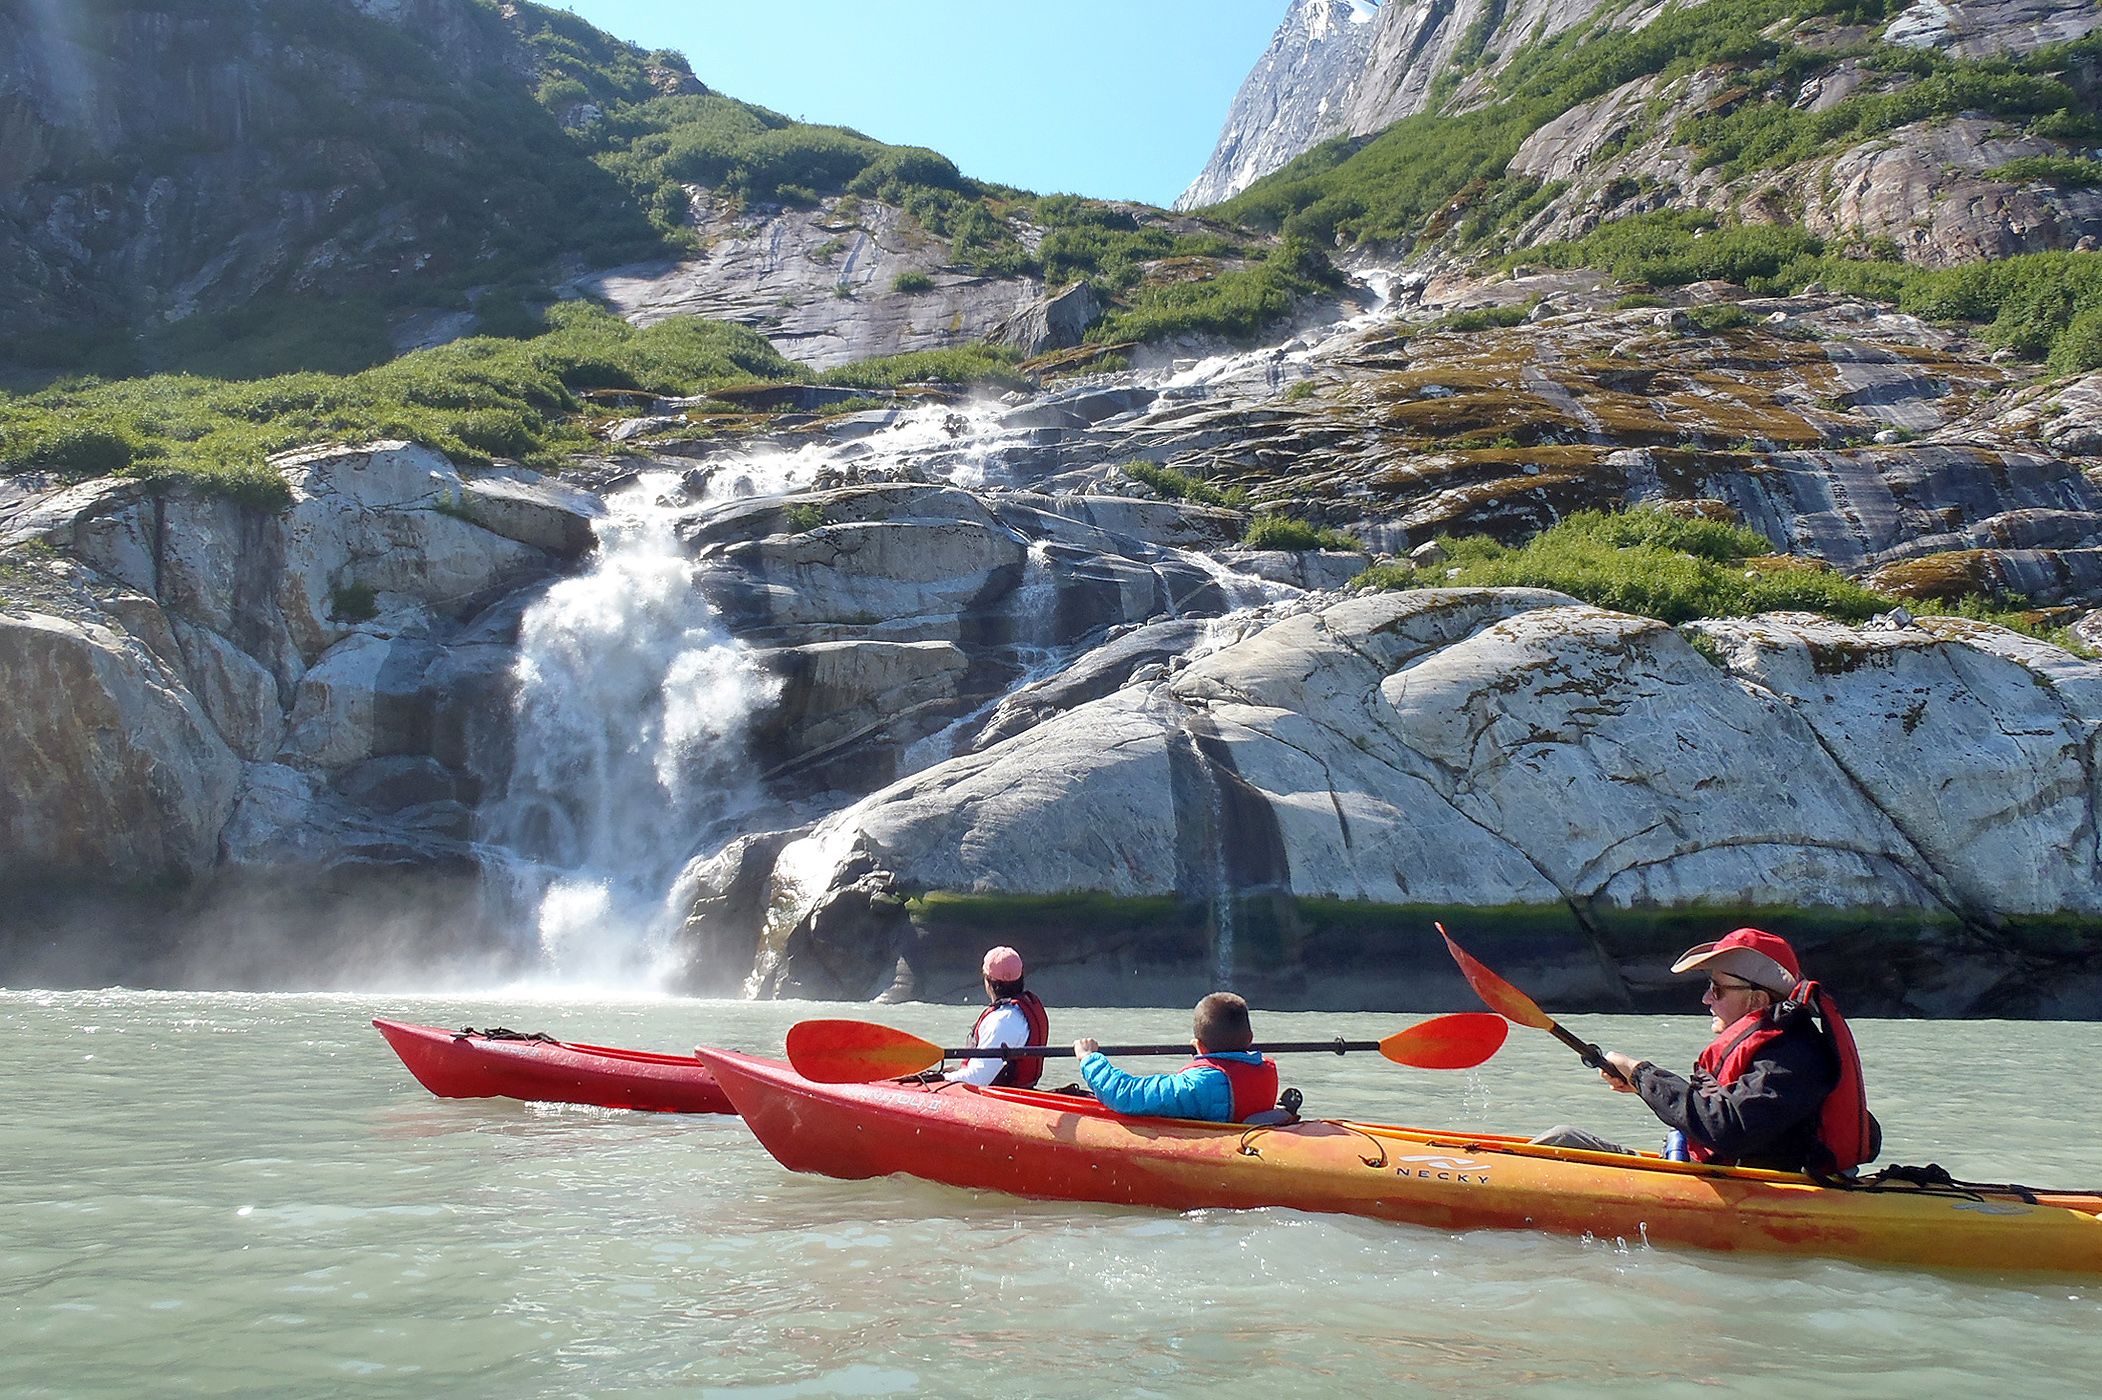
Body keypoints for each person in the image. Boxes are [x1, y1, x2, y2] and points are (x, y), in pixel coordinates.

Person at [1533, 927, 1877, 1174]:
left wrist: (1640, 1073)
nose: (1706, 999)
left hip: (1758, 1197)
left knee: (1558, 1147)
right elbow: (1720, 1110)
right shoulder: (1777, 1050)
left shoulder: (1796, 1057)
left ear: (1756, 999)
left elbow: (1726, 1128)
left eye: (1717, 989)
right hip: (1713, 1178)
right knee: (1563, 1139)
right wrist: (1640, 1084)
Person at [1073, 991, 1279, 1123]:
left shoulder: (1200, 1084)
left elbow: (1124, 1095)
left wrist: (1089, 1058)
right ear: (1250, 1039)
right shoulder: (1265, 1069)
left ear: (1198, 1046)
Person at [942, 946, 1050, 1087]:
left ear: (988, 981)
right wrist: (956, 1072)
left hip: (998, 1098)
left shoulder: (1003, 1020)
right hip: (1019, 1092)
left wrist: (941, 1077)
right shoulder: (1024, 1009)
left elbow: (978, 1079)